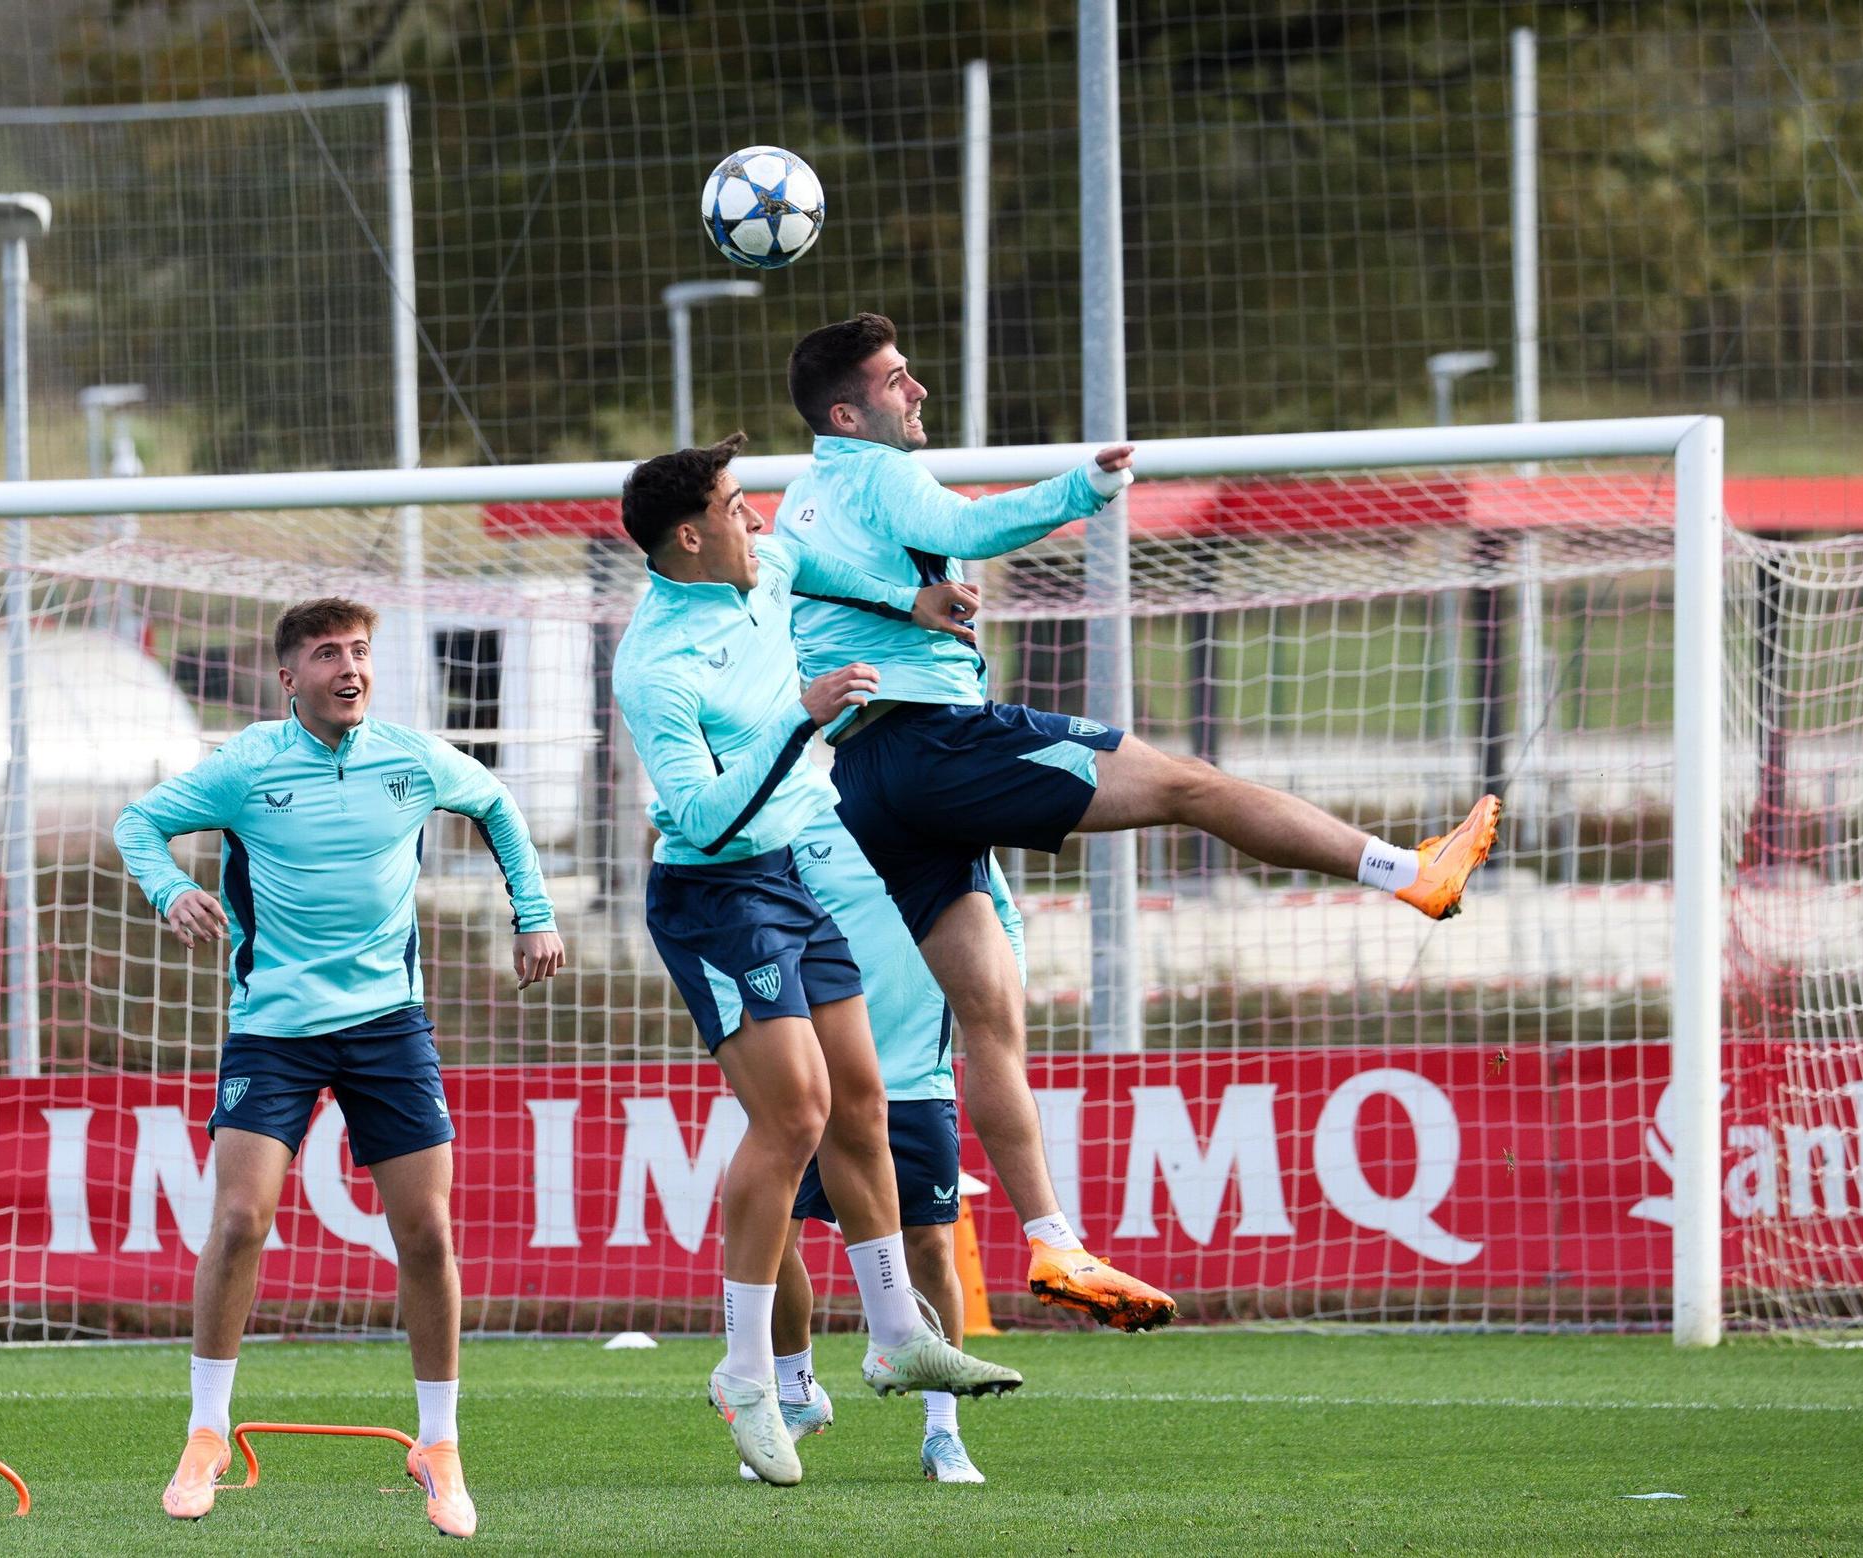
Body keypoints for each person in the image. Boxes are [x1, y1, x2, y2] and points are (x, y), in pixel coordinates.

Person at [775, 312, 1504, 1333]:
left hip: (865, 781)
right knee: (1188, 787)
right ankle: (1405, 870)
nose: (918, 392)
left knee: (987, 1024)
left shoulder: (801, 496)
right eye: (898, 380)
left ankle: (1054, 1244)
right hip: (940, 739)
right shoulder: (875, 471)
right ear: (847, 410)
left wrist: (903, 600)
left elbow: (795, 574)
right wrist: (1086, 488)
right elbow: (978, 528)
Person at [611, 434, 1023, 1488]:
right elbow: (696, 816)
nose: (760, 522)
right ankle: (747, 1375)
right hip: (712, 895)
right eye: (737, 507)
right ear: (690, 535)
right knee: (791, 1117)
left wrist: (908, 604)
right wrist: (798, 717)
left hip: (787, 873)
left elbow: (824, 568)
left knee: (861, 1102)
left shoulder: (763, 565)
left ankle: (892, 1334)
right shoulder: (655, 665)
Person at [114, 596, 567, 1539]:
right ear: (291, 679)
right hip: (272, 1027)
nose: (349, 668)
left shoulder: (410, 756)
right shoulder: (246, 765)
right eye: (328, 654)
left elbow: (494, 801)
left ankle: (438, 1446)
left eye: (360, 650)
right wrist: (170, 890)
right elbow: (135, 824)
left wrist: (535, 912)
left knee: (429, 1234)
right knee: (240, 1220)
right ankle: (206, 1433)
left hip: (388, 1027)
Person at [741, 807, 1023, 1486]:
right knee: (774, 1235)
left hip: (915, 1080)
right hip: (815, 1075)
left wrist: (1000, 1014)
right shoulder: (793, 821)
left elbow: (1000, 927)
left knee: (930, 1248)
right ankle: (798, 1394)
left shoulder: (936, 820)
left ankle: (943, 1434)